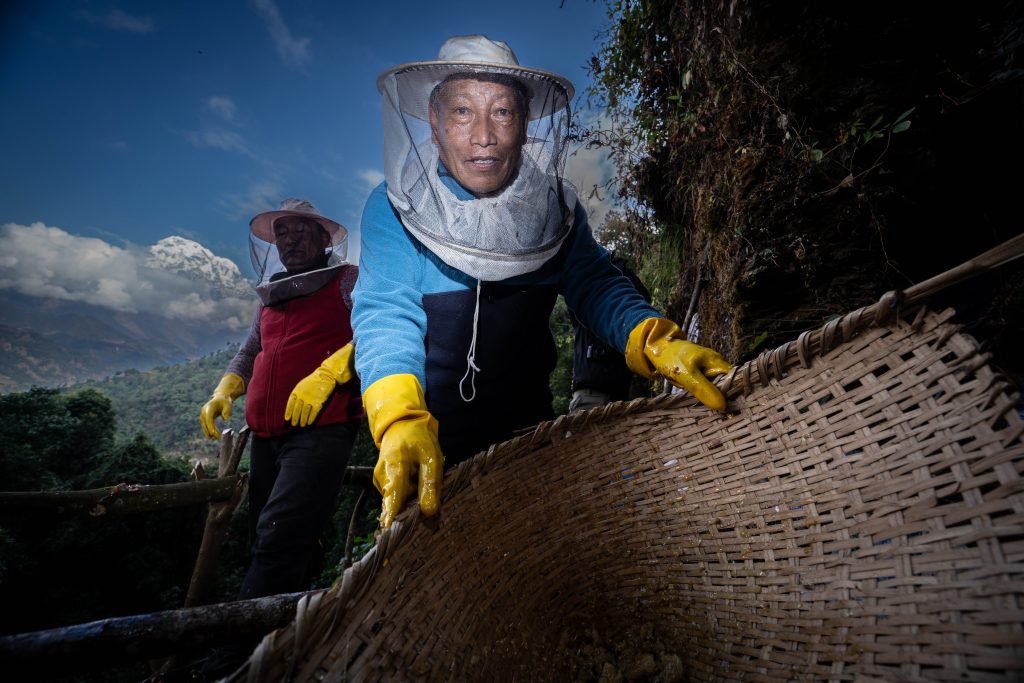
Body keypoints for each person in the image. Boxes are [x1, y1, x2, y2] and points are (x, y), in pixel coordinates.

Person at [352, 35, 733, 530]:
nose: (484, 135)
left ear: (526, 123)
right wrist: (398, 417)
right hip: (431, 440)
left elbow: (593, 281)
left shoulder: (553, 206)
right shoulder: (394, 206)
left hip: (530, 434)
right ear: (434, 124)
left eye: (503, 112)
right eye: (463, 112)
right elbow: (386, 310)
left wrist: (651, 335)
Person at [196, 198, 362, 677]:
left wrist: (330, 373)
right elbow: (252, 348)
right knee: (267, 537)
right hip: (266, 436)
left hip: (323, 430)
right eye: (282, 233)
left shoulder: (348, 280)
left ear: (324, 238)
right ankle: (290, 636)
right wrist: (226, 386)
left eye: (301, 231)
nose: (290, 240)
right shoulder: (272, 293)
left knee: (277, 540)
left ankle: (234, 663)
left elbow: (374, 327)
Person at [568, 254, 652, 414]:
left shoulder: (591, 280)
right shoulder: (627, 283)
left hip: (599, 388)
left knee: (583, 437)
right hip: (606, 386)